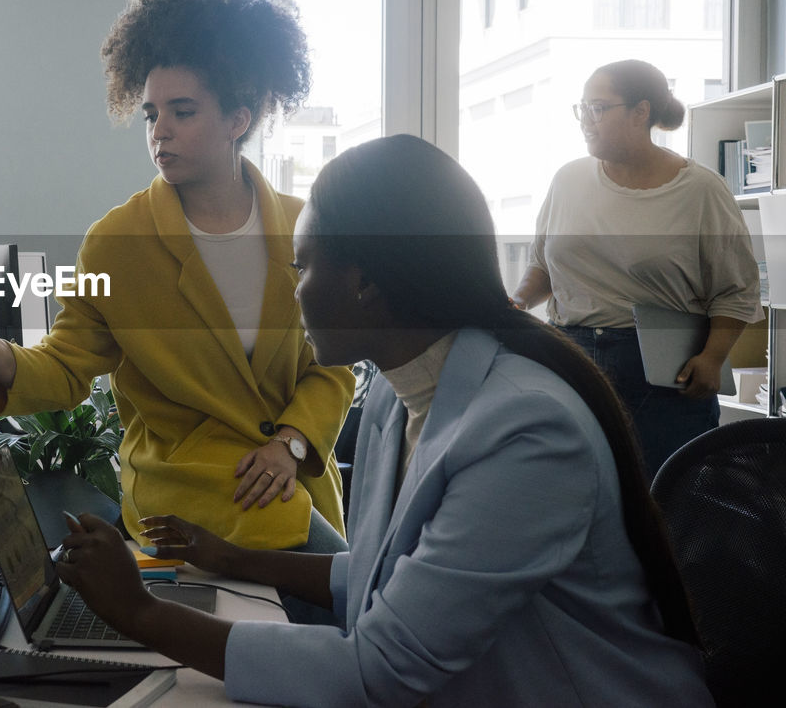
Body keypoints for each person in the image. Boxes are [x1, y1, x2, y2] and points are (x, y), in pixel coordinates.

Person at [53, 134, 712, 707]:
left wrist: (139, 613)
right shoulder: (395, 398)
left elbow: (376, 670)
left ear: (364, 280)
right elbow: (378, 571)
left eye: (304, 264)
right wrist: (229, 556)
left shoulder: (526, 430)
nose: (293, 287)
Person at [0, 0, 354, 567]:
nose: (160, 131)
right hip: (189, 503)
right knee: (339, 614)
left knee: (347, 621)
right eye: (151, 114)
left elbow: (331, 367)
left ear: (238, 119)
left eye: (183, 111)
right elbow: (67, 366)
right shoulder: (117, 244)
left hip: (295, 487)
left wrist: (289, 442)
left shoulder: (303, 227)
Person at [511, 59, 761, 476]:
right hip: (571, 357)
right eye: (582, 108)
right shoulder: (568, 180)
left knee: (662, 505)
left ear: (641, 112)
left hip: (661, 371)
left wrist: (713, 358)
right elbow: (542, 264)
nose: (586, 121)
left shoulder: (699, 190)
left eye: (598, 108)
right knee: (575, 493)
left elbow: (736, 289)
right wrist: (517, 301)